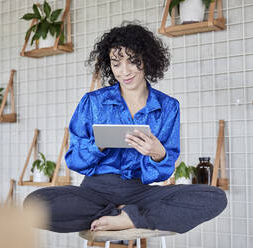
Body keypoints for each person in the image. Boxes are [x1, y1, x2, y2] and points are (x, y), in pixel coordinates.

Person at [24, 23, 227, 234]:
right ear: (109, 65)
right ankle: (123, 214)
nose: (124, 71)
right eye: (116, 64)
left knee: (215, 197)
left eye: (133, 61)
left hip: (140, 191)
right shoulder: (92, 102)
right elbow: (74, 160)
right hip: (94, 192)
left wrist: (159, 154)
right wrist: (98, 146)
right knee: (34, 203)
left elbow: (162, 173)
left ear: (146, 59)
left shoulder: (168, 107)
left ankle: (129, 217)